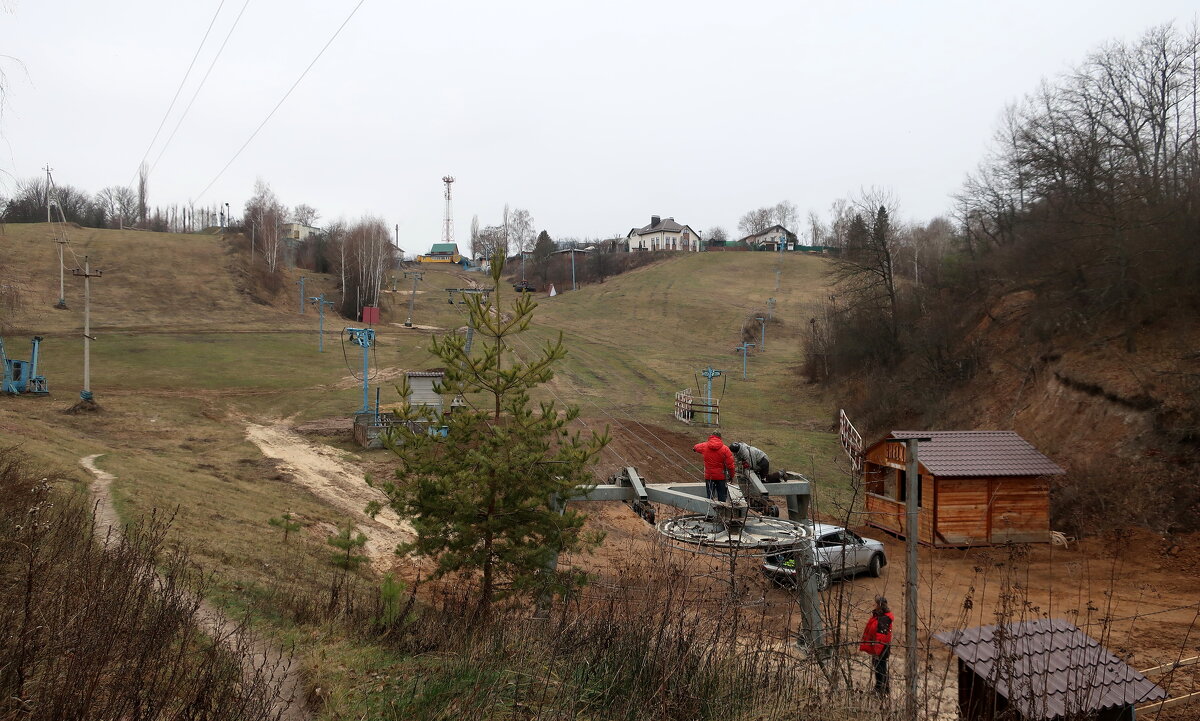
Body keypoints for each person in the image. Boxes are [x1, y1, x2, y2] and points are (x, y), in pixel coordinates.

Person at [860, 595, 894, 694]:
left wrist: (876, 651)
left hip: (881, 648)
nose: (874, 605)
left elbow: (881, 637)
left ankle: (881, 690)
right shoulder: (879, 616)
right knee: (879, 668)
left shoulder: (883, 619)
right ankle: (882, 688)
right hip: (878, 647)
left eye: (875, 604)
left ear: (880, 605)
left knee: (880, 669)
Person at [692, 431, 735, 502]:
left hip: (709, 476)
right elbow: (730, 466)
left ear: (711, 436)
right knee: (722, 498)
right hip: (721, 477)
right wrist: (731, 476)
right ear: (720, 438)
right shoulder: (725, 449)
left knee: (710, 498)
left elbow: (695, 447)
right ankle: (721, 511)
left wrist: (694, 449)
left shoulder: (704, 446)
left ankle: (710, 512)